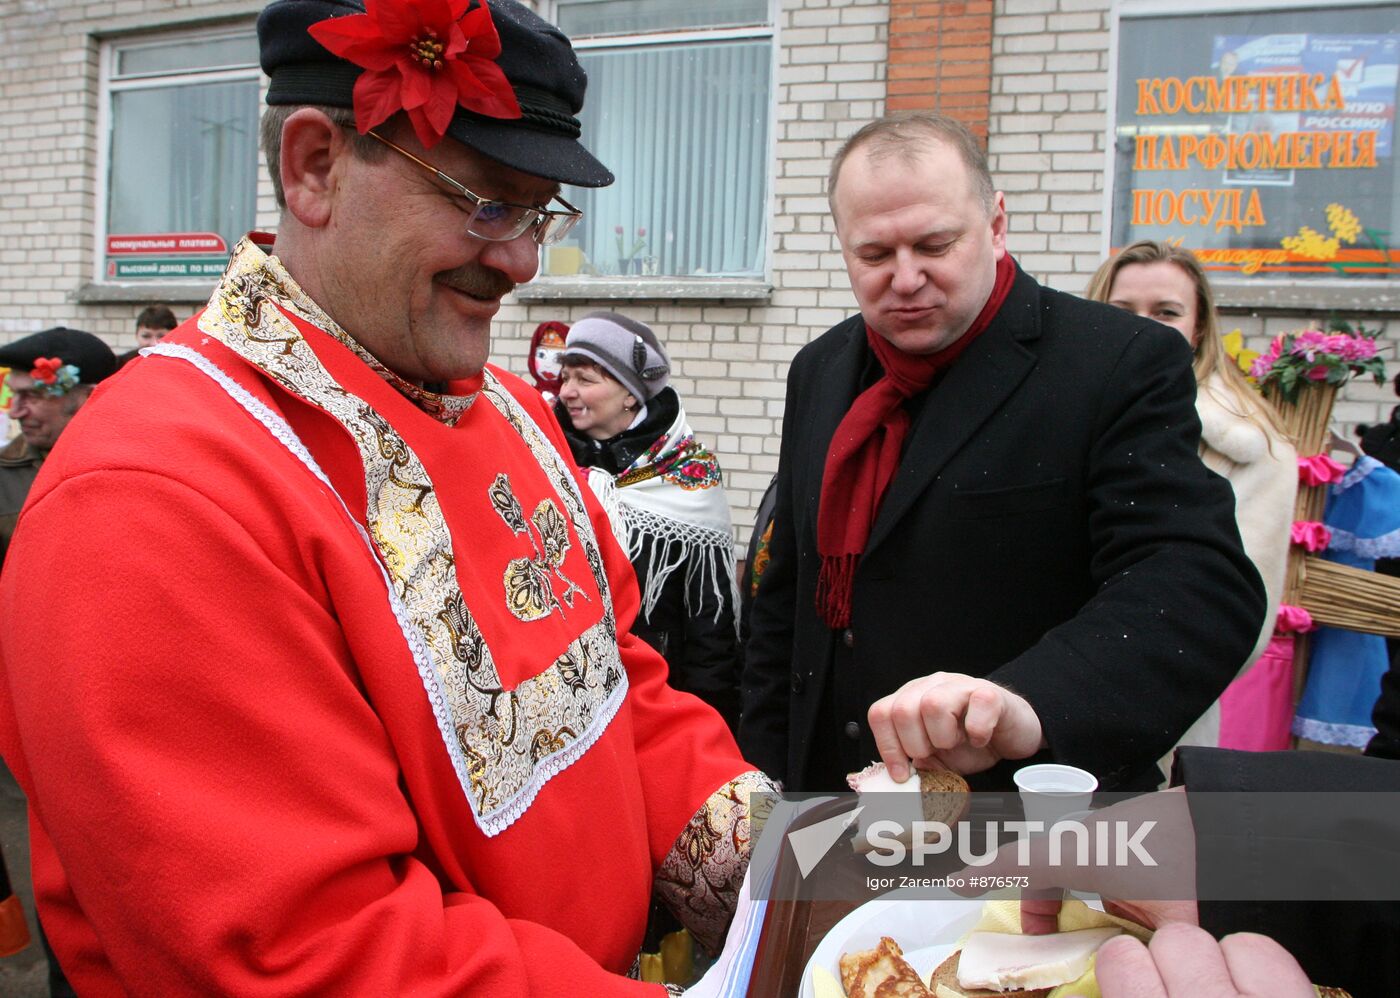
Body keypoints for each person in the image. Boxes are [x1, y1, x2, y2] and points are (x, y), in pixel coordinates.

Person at [0, 2, 773, 994]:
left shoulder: (505, 410)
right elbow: (305, 950)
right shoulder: (154, 493)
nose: (522, 263)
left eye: (538, 214)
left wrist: (784, 879)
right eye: (486, 203)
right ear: (315, 165)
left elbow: (615, 686)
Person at [739, 111, 1265, 794]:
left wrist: (1026, 703)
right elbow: (785, 599)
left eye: (935, 244)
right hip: (827, 802)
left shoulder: (1117, 364)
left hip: (1015, 824)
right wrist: (759, 782)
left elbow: (1193, 584)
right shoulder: (820, 369)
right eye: (873, 255)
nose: (904, 279)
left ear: (995, 224)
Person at [1085, 241, 1297, 760]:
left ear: (1198, 329)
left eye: (1167, 313)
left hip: (1155, 718)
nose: (1145, 328)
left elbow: (1235, 617)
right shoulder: (1066, 412)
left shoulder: (1254, 449)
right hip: (1026, 705)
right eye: (1124, 311)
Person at [554, 312, 741, 731]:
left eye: (585, 379)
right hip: (562, 698)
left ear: (629, 394)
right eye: (565, 378)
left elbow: (710, 624)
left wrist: (706, 725)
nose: (567, 391)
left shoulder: (687, 473)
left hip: (654, 702)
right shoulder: (544, 456)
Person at [0, 327, 118, 564]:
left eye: (32, 396)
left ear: (87, 398)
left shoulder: (134, 470)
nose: (15, 412)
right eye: (14, 395)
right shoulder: (4, 476)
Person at [526, 318, 568, 402]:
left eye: (558, 359)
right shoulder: (526, 397)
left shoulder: (575, 401)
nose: (547, 365)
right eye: (541, 355)